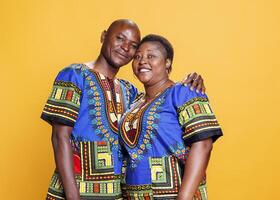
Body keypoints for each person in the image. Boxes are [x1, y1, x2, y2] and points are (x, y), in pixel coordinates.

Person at [41, 19, 206, 200]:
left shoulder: (130, 91)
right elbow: (59, 137)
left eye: (133, 45)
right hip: (76, 192)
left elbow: (160, 102)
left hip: (117, 194)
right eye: (120, 38)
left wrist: (189, 81)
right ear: (104, 36)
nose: (125, 47)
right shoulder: (74, 75)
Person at [119, 34, 223, 200]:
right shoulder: (134, 101)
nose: (142, 61)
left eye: (151, 56)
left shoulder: (184, 92)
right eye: (137, 57)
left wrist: (184, 197)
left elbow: (203, 145)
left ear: (167, 62)